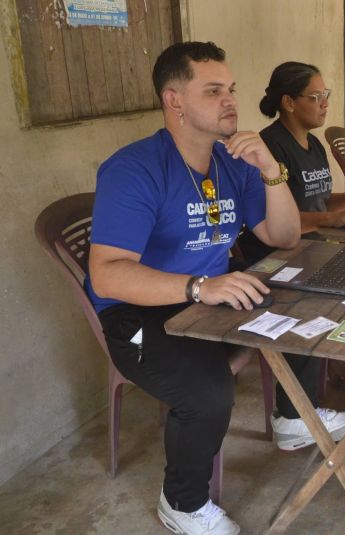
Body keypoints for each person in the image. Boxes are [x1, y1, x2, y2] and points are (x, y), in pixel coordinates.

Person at [87, 41, 302, 535]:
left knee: (306, 301)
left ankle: (294, 419)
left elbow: (283, 237)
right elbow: (108, 273)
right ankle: (182, 504)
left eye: (230, 89)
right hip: (137, 312)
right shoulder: (134, 169)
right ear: (174, 101)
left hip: (208, 296)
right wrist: (201, 287)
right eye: (212, 90)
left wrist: (272, 170)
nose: (230, 100)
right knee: (208, 390)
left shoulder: (233, 161)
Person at [257, 61, 345, 233]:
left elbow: (320, 203)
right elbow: (274, 218)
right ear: (289, 102)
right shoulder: (270, 147)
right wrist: (333, 218)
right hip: (279, 249)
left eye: (325, 95)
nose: (325, 104)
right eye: (316, 97)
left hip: (313, 238)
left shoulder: (314, 144)